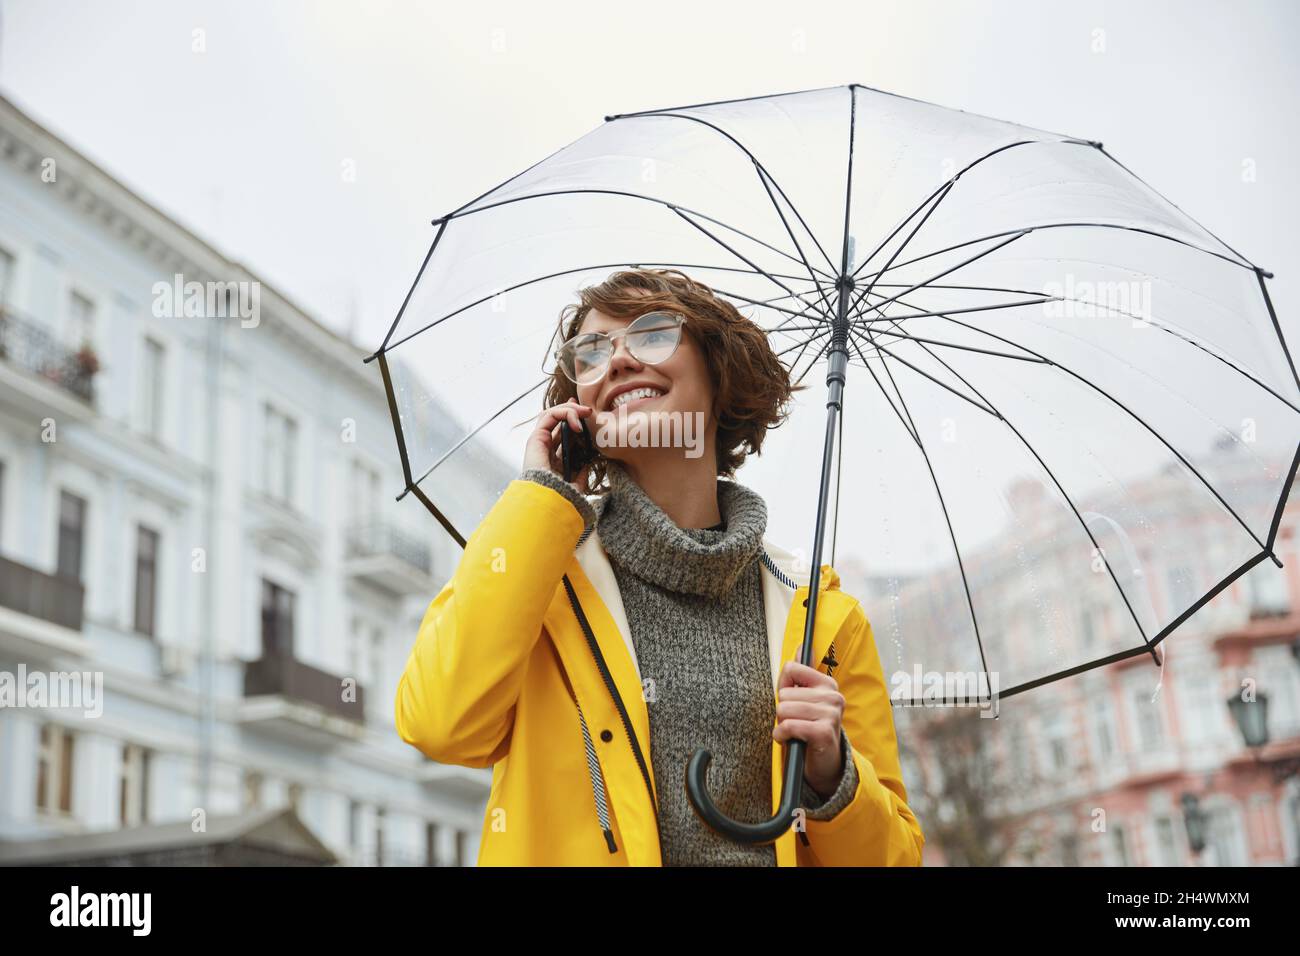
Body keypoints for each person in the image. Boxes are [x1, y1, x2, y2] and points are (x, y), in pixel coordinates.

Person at [395, 267, 924, 866]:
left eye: (652, 335)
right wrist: (542, 497)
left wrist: (833, 777)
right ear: (578, 407)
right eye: (590, 352)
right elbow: (439, 724)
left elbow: (895, 859)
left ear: (718, 371)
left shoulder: (824, 621)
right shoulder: (538, 576)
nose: (617, 360)